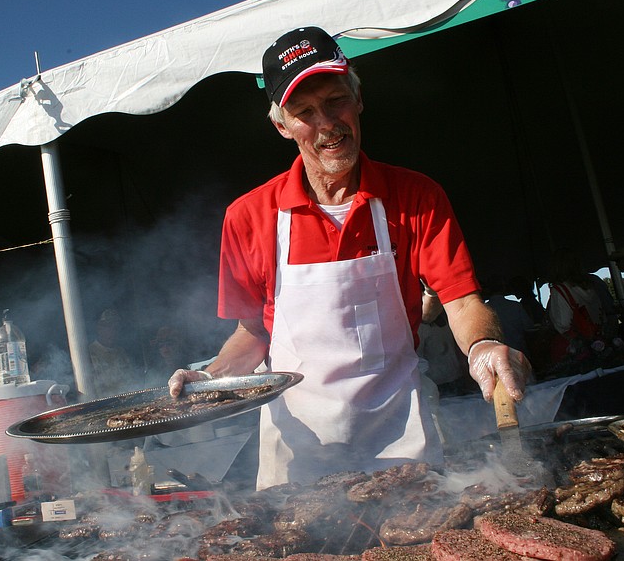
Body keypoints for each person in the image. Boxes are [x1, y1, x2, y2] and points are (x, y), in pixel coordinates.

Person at [168, 26, 531, 489]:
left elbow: (461, 303)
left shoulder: (416, 197)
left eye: (336, 101)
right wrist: (210, 379)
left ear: (358, 99)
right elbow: (253, 334)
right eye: (304, 112)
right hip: (298, 458)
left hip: (400, 444)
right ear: (282, 126)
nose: (327, 124)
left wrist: (482, 346)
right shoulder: (248, 217)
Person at [88, 308, 135, 397]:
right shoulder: (89, 353)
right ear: (98, 328)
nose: (112, 330)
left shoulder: (121, 353)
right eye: (107, 326)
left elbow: (131, 380)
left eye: (115, 326)